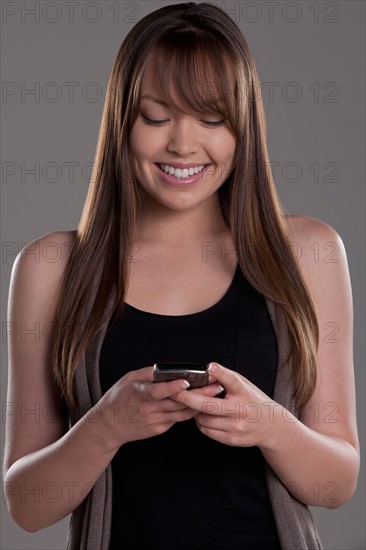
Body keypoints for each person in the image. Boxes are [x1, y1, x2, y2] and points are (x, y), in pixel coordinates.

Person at [3, 2, 360, 549]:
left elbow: (338, 483)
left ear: (244, 127)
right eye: (156, 116)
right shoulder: (50, 268)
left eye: (212, 119)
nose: (183, 144)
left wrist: (269, 426)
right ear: (122, 119)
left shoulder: (310, 254)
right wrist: (106, 426)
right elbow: (26, 508)